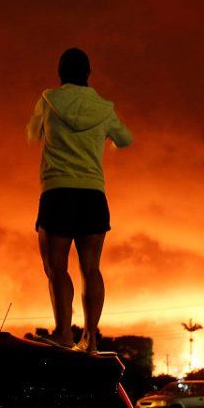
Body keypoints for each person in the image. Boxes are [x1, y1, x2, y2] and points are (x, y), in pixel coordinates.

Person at [26, 48, 132, 351]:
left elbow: (32, 134)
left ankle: (63, 333)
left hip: (57, 191)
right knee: (91, 269)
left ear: (60, 73)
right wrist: (104, 140)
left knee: (56, 268)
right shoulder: (104, 108)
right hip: (92, 194)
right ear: (89, 73)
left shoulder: (48, 100)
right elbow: (125, 139)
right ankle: (91, 338)